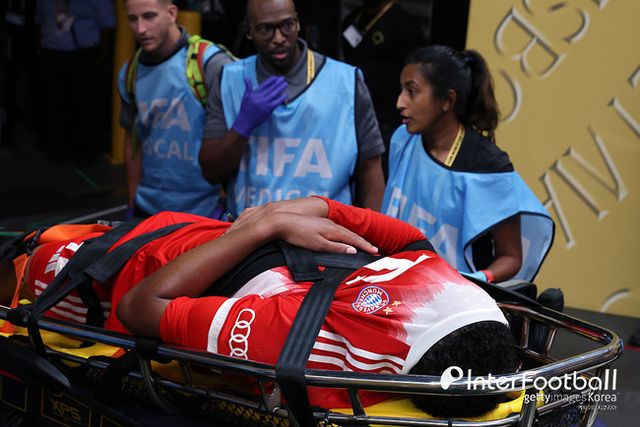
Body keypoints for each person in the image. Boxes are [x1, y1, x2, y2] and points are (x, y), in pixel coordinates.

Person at [1, 197, 517, 418]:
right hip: (188, 231)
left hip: (116, 270)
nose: (421, 272)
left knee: (24, 265)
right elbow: (329, 208)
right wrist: (272, 217)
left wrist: (267, 225)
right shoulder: (425, 262)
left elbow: (139, 307)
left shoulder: (300, 335)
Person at [382, 45, 554, 283]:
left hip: (458, 297)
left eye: (411, 91)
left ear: (447, 100)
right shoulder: (402, 139)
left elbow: (511, 257)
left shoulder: (488, 165)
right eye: (402, 90)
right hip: (394, 284)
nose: (400, 102)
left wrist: (476, 279)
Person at [199, 0, 386, 217]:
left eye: (287, 25)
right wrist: (242, 126)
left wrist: (375, 230)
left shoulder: (346, 81)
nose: (279, 38)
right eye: (265, 29)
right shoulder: (229, 79)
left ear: (297, 24)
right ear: (249, 31)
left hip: (327, 232)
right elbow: (211, 172)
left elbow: (370, 167)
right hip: (250, 231)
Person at [118, 0, 234, 218]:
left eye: (149, 16)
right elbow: (132, 139)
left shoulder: (209, 63)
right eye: (132, 19)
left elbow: (239, 135)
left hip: (206, 211)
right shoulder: (129, 73)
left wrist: (228, 200)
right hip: (148, 211)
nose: (140, 28)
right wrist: (133, 199)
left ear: (171, 13)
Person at [340, 0, 426, 170]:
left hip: (386, 117)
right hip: (353, 109)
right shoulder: (354, 18)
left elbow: (417, 75)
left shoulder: (405, 26)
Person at [35, 0, 115, 166]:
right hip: (52, 52)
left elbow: (108, 24)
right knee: (55, 102)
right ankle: (59, 146)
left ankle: (84, 150)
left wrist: (102, 55)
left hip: (83, 53)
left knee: (83, 104)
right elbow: (39, 20)